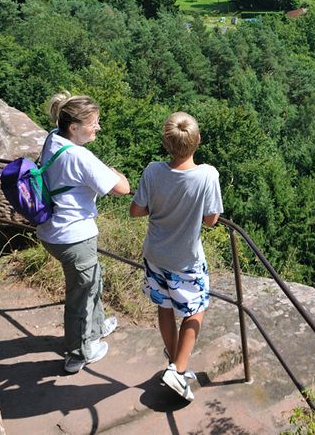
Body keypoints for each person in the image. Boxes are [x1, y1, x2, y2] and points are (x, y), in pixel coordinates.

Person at [130, 112, 223, 402]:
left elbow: (136, 210)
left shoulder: (153, 171)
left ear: (165, 143)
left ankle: (173, 362)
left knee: (166, 306)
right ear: (198, 141)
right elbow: (211, 220)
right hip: (185, 259)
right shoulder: (207, 175)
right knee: (196, 309)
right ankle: (179, 370)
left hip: (155, 254)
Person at [38, 92, 130, 374]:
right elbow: (122, 188)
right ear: (74, 128)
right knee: (81, 294)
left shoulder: (53, 138)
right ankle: (79, 353)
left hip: (52, 231)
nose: (98, 127)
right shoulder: (81, 157)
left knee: (91, 282)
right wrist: (115, 172)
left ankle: (97, 327)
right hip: (74, 237)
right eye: (94, 123)